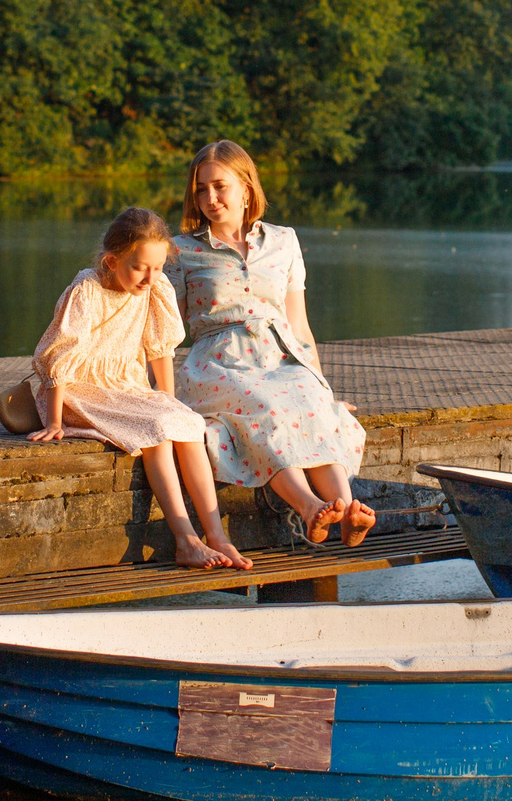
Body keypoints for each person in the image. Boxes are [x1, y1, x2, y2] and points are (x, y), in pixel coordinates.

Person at [165, 140, 374, 548]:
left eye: (220, 186)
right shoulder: (181, 251)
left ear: (246, 187)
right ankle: (311, 507)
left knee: (313, 405)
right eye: (201, 189)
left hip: (282, 355)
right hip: (219, 361)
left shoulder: (284, 241)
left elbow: (299, 323)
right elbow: (165, 330)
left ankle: (346, 511)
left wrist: (321, 386)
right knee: (267, 406)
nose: (210, 198)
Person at [28, 206, 252, 572]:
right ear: (113, 260)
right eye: (140, 267)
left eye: (158, 267)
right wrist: (55, 420)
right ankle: (186, 539)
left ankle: (216, 535)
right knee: (157, 431)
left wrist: (169, 401)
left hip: (127, 386)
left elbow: (159, 349)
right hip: (80, 391)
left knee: (186, 422)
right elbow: (59, 358)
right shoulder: (87, 289)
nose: (150, 278)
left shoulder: (154, 287)